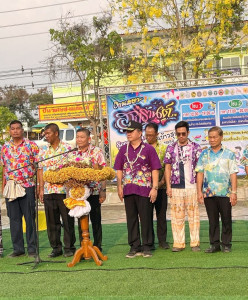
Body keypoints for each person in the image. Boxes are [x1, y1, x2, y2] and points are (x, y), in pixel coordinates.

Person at [114, 121, 161, 258]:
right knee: (131, 219)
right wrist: (119, 187)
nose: (128, 134)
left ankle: (147, 246)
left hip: (145, 189)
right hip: (128, 189)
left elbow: (155, 169)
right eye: (127, 131)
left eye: (131, 131)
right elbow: (119, 169)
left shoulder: (148, 149)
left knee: (146, 218)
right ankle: (134, 246)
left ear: (140, 133)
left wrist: (155, 188)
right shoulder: (123, 149)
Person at [196, 126, 238, 253]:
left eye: (215, 137)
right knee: (212, 220)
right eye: (210, 137)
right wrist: (199, 191)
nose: (212, 140)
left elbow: (233, 173)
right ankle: (214, 244)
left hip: (225, 192)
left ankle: (226, 244)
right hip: (209, 192)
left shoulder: (229, 153)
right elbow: (200, 173)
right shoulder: (204, 153)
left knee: (226, 219)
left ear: (221, 137)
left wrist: (234, 192)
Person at [1, 120, 39, 257]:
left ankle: (32, 248)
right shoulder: (4, 148)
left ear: (22, 130)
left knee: (29, 218)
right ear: (10, 131)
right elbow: (4, 168)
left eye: (18, 128)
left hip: (27, 185)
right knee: (14, 218)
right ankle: (18, 248)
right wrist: (3, 188)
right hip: (11, 186)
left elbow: (38, 167)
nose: (15, 131)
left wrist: (38, 188)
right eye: (13, 129)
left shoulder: (31, 146)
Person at [38, 123, 76, 258]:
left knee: (67, 220)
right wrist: (41, 188)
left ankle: (69, 247)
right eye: (45, 134)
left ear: (56, 133)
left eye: (48, 133)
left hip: (64, 190)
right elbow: (40, 170)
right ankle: (56, 247)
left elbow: (73, 168)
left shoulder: (68, 148)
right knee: (52, 221)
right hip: (49, 190)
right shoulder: (43, 151)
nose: (45, 136)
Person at [164, 121, 202, 252]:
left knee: (194, 216)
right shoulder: (170, 148)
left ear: (188, 133)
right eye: (178, 134)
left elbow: (200, 170)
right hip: (176, 186)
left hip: (192, 185)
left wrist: (199, 188)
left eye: (183, 133)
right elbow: (167, 167)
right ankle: (178, 243)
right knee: (176, 216)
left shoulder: (196, 147)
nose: (181, 136)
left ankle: (195, 243)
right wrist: (168, 186)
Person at [67, 128, 106, 251]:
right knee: (81, 219)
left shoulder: (96, 152)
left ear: (89, 139)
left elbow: (103, 172)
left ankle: (97, 246)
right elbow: (69, 175)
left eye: (82, 137)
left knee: (95, 220)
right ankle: (83, 246)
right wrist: (69, 193)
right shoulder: (72, 154)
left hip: (93, 191)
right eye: (77, 137)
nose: (79, 139)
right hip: (79, 193)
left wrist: (103, 191)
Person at [145, 123, 169, 250]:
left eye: (151, 135)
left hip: (161, 187)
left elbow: (166, 168)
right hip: (146, 188)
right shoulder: (142, 148)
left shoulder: (164, 148)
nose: (148, 138)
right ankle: (149, 241)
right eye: (146, 135)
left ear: (157, 135)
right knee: (147, 216)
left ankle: (163, 241)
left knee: (161, 215)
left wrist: (162, 182)